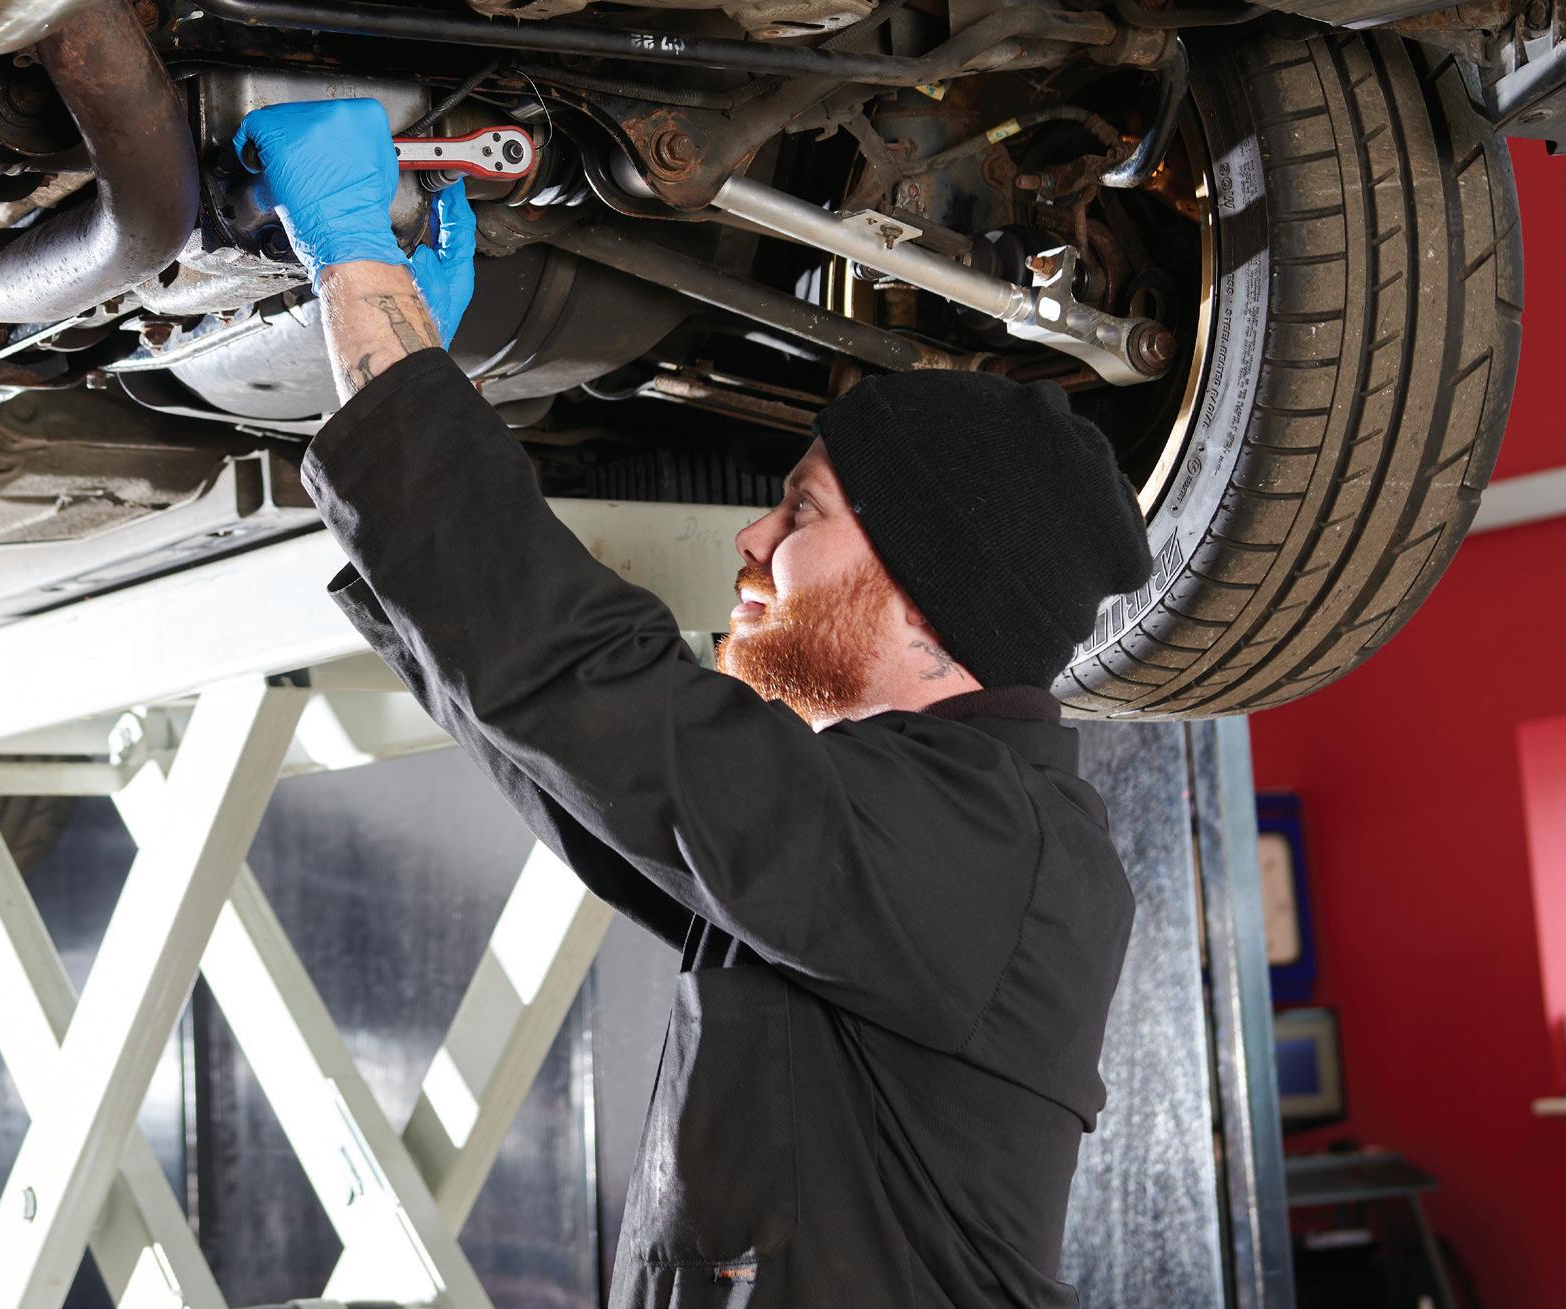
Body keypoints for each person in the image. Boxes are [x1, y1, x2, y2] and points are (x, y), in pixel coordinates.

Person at [234, 98, 1158, 1307]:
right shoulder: (918, 838)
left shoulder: (992, 851)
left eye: (802, 510)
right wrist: (407, 385)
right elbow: (585, 769)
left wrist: (368, 291)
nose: (751, 539)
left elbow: (596, 703)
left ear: (929, 594)